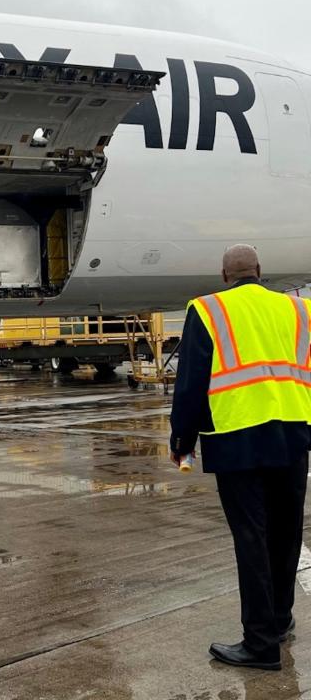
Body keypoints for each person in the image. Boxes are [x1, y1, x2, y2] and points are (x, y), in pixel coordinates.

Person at [170, 244, 311, 671]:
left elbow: (191, 380)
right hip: (292, 435)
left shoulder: (208, 310)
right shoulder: (299, 309)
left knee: (252, 538)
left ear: (225, 274)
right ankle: (280, 621)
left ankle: (260, 644)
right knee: (285, 534)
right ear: (260, 271)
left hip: (237, 439)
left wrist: (182, 439)